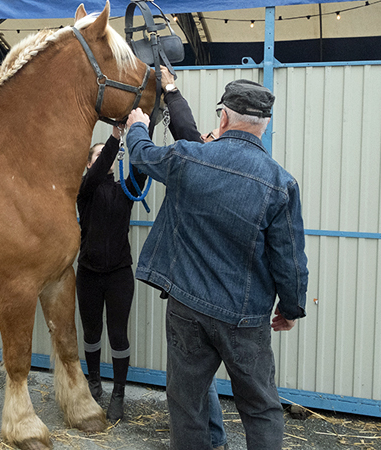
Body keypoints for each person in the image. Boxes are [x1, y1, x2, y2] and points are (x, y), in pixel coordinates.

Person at [125, 79, 308, 449]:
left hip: (186, 309)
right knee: (260, 408)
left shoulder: (188, 157)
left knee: (186, 404)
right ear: (265, 125)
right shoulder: (280, 183)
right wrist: (290, 308)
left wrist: (136, 127)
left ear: (223, 118)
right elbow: (290, 260)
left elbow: (143, 155)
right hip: (245, 318)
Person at [159, 66, 226, 450]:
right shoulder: (247, 171)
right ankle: (215, 439)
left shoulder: (204, 166)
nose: (203, 137)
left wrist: (170, 88)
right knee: (205, 377)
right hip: (223, 293)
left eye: (211, 135)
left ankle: (204, 440)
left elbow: (186, 132)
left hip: (195, 293)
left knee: (188, 380)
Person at [76, 125, 147, 423]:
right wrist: (114, 138)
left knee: (118, 335)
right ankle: (94, 381)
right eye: (98, 157)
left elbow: (141, 171)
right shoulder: (85, 189)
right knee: (92, 333)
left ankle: (118, 393)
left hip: (119, 275)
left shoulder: (124, 191)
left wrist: (140, 128)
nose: (104, 159)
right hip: (89, 274)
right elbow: (97, 171)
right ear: (91, 163)